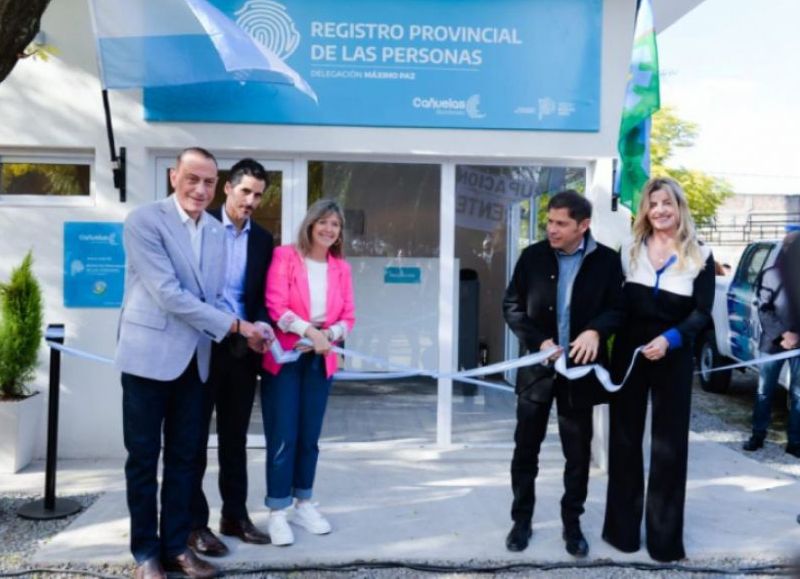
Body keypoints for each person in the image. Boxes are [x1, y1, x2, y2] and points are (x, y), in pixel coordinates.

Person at [116, 147, 269, 579]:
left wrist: (257, 328)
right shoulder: (145, 221)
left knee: (186, 457)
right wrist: (238, 326)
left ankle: (177, 547)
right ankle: (146, 553)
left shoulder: (219, 234)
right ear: (173, 176)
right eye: (192, 179)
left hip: (197, 360)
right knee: (144, 459)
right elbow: (169, 295)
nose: (200, 190)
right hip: (148, 359)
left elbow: (214, 296)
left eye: (207, 182)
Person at [502, 190, 624, 557]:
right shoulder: (532, 257)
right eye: (549, 222)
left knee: (577, 454)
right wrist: (539, 342)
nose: (551, 229)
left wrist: (596, 330)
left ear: (583, 225)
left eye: (560, 223)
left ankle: (572, 525)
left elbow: (618, 308)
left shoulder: (606, 261)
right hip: (538, 373)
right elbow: (512, 307)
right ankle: (521, 521)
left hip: (581, 377)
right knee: (526, 449)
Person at [602, 177, 715, 562]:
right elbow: (618, 306)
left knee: (669, 448)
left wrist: (671, 339)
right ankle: (622, 534)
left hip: (673, 355)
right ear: (645, 211)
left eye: (666, 202)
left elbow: (701, 314)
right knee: (624, 441)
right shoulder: (630, 249)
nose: (660, 210)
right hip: (630, 356)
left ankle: (665, 542)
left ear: (678, 206)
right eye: (653, 204)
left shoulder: (701, 253)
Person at [188, 159, 275, 557]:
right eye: (245, 192)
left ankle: (235, 516)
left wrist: (261, 326)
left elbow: (258, 296)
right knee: (193, 441)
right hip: (201, 345)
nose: (251, 201)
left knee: (235, 440)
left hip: (242, 352)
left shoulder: (262, 239)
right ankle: (195, 525)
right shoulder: (199, 229)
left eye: (258, 194)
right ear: (227, 188)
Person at [260, 199, 355, 546]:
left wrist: (327, 335)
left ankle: (303, 502)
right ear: (310, 224)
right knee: (284, 435)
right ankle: (277, 511)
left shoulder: (341, 268)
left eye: (336, 225)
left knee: (309, 436)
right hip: (285, 357)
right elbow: (275, 305)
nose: (329, 230)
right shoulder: (286, 256)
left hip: (320, 358)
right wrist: (309, 332)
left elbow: (348, 317)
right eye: (324, 223)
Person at [742, 232, 800, 456]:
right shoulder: (771, 274)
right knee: (764, 391)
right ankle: (757, 436)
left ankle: (794, 442)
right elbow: (764, 309)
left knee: (798, 395)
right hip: (773, 343)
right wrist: (784, 334)